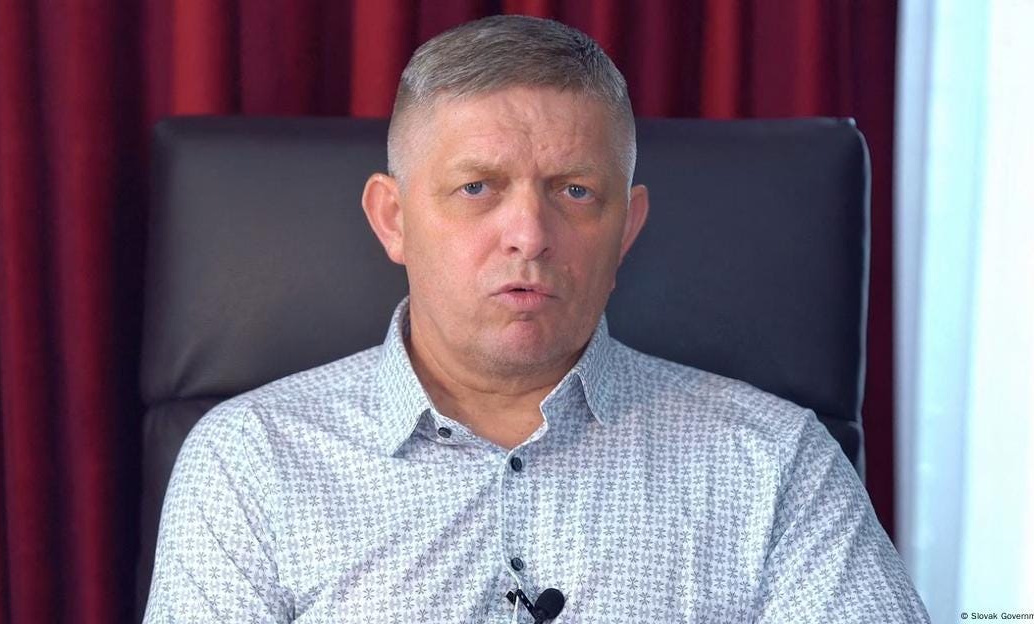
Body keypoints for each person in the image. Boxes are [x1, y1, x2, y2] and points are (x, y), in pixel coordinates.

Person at [143, 15, 929, 623]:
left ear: (627, 229)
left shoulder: (776, 466)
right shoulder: (250, 464)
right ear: (392, 219)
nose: (529, 233)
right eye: (477, 187)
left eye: (575, 191)